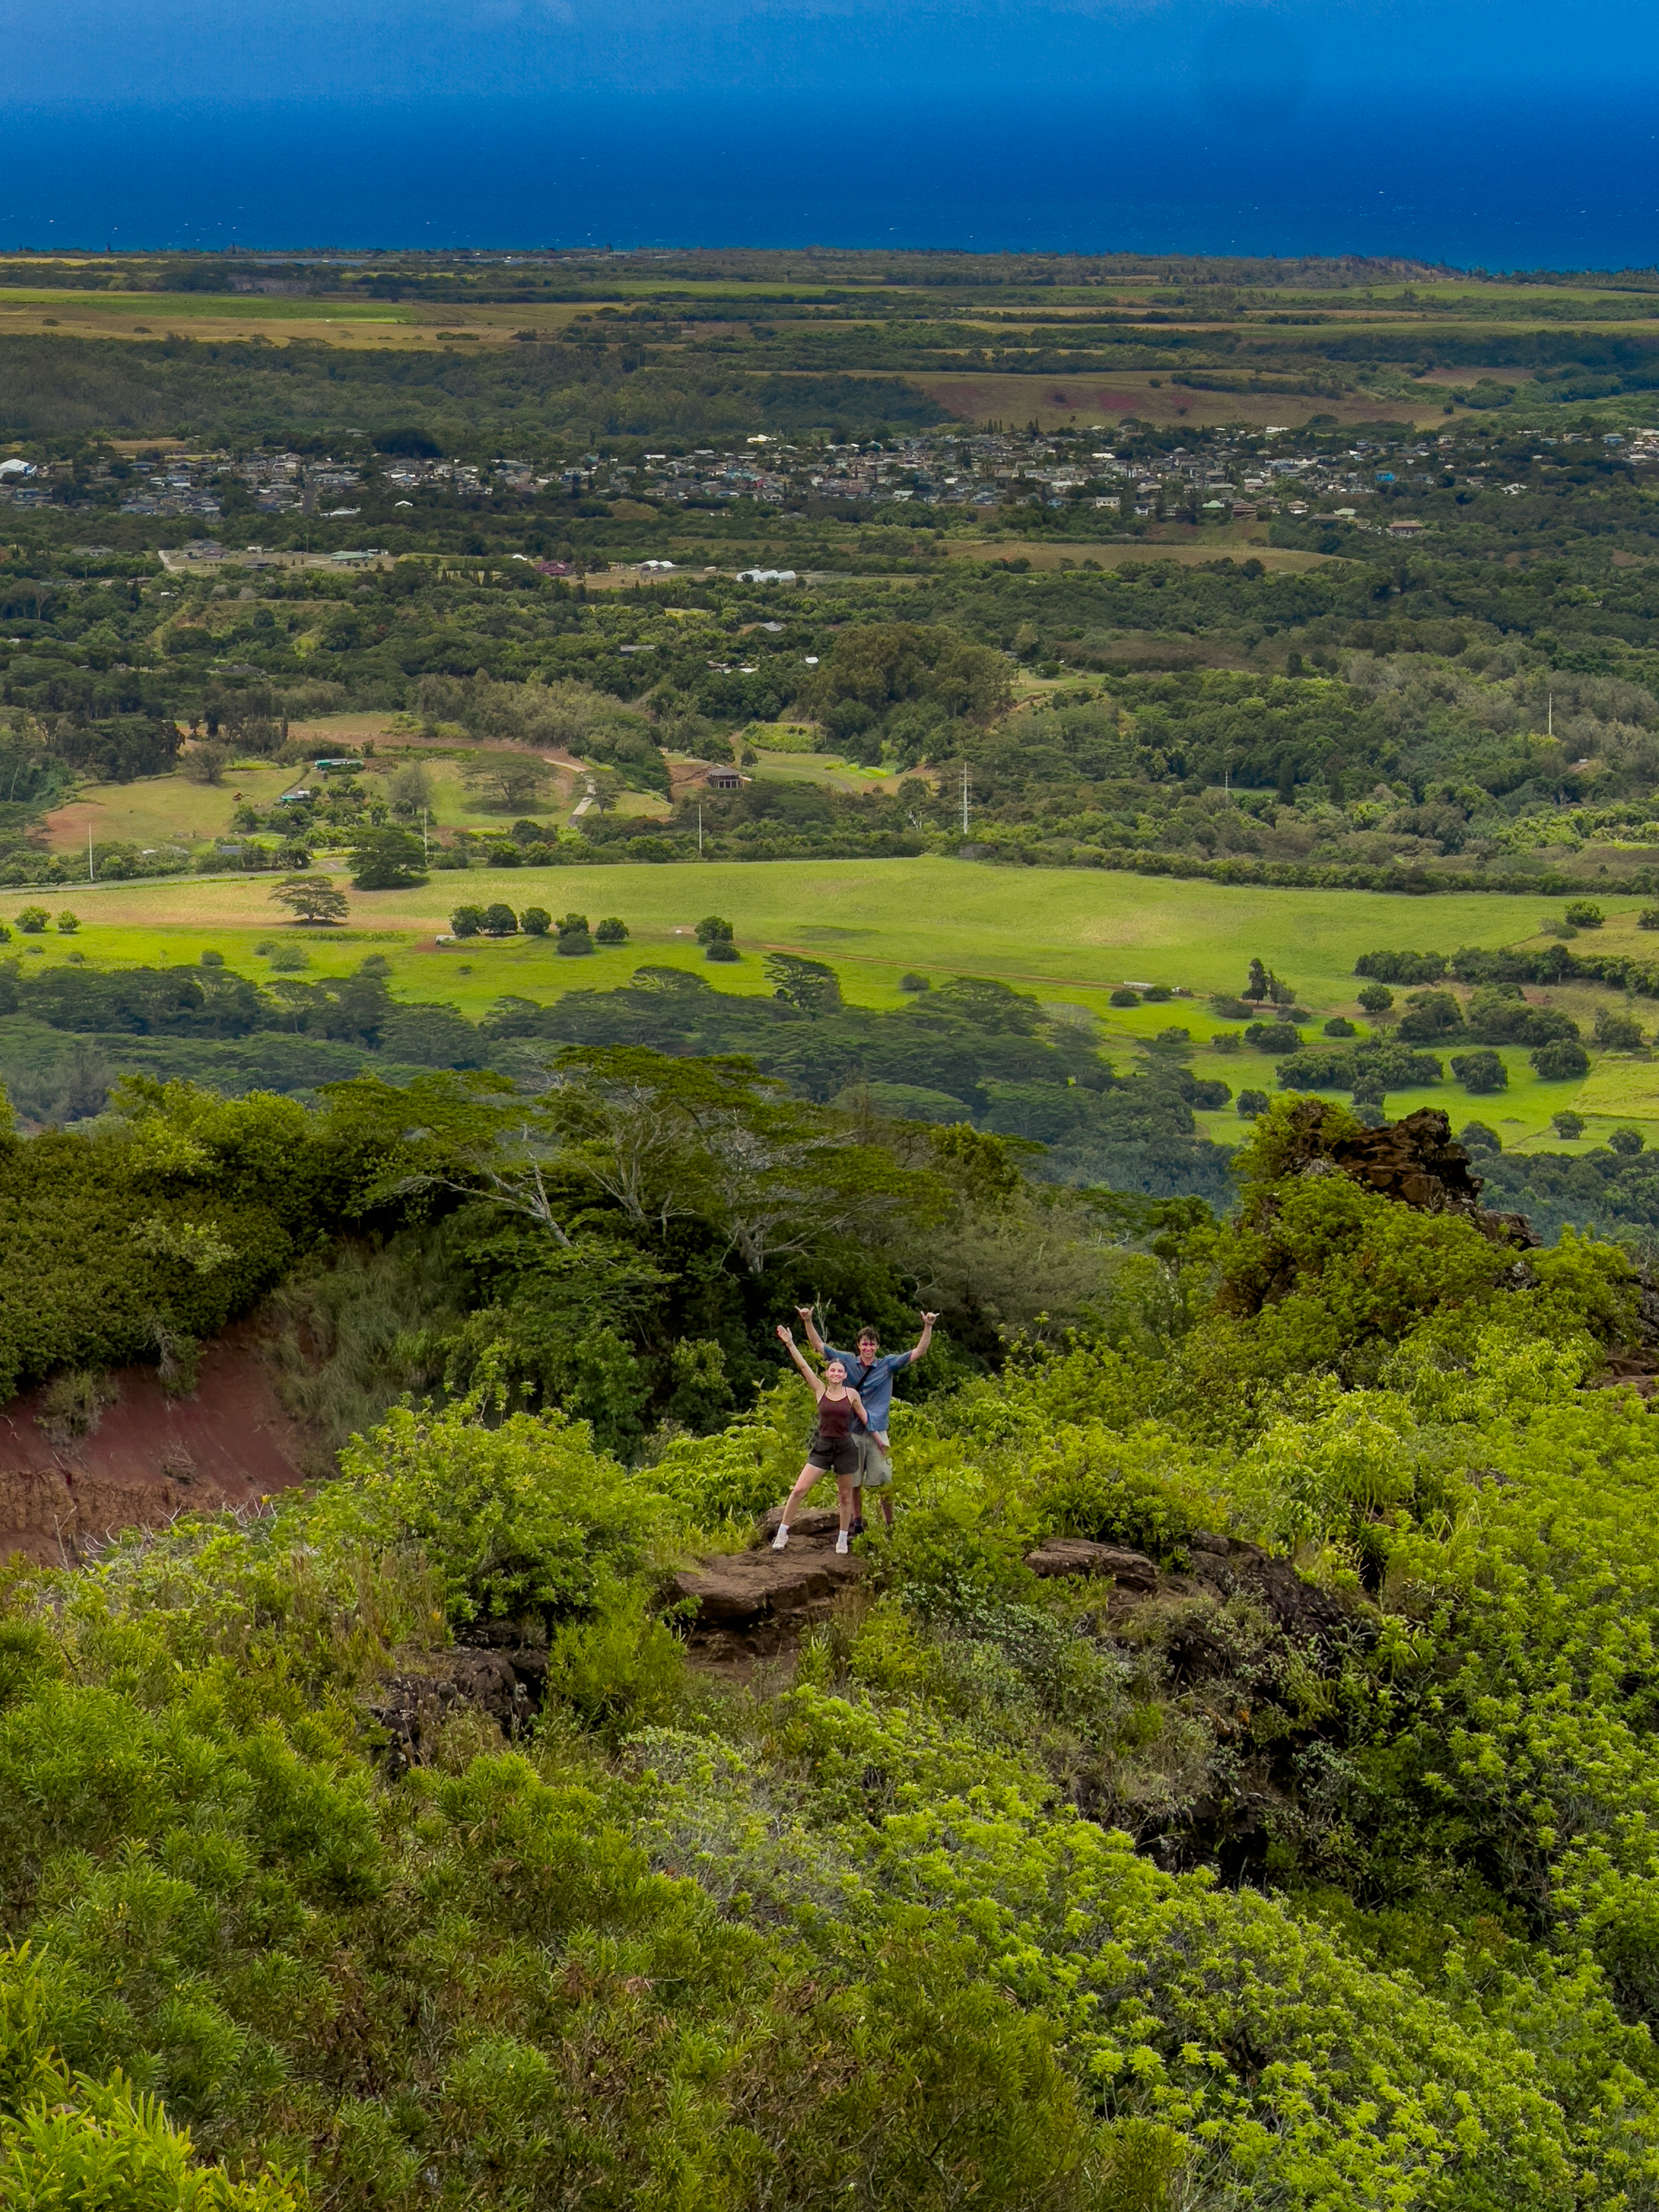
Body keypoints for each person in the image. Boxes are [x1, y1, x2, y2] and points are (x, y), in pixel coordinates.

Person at [794, 1307, 937, 1535]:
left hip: (877, 1430)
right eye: (864, 1344)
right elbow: (818, 1347)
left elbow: (919, 1351)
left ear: (877, 1347)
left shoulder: (887, 1365)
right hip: (851, 1431)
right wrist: (808, 1320)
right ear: (859, 1346)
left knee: (885, 1483)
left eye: (872, 1344)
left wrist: (928, 1325)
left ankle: (890, 1527)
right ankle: (857, 1524)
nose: (868, 1348)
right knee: (853, 1482)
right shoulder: (847, 1363)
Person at [770, 1325, 870, 1556]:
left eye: (840, 1372)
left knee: (845, 1496)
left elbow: (865, 1418)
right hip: (823, 1445)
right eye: (832, 1371)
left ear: (845, 1376)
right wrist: (790, 1343)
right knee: (798, 1490)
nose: (835, 1374)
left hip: (845, 1446)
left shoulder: (852, 1395)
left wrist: (880, 1439)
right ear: (827, 1374)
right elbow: (803, 1366)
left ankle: (843, 1538)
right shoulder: (820, 1390)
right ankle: (783, 1532)